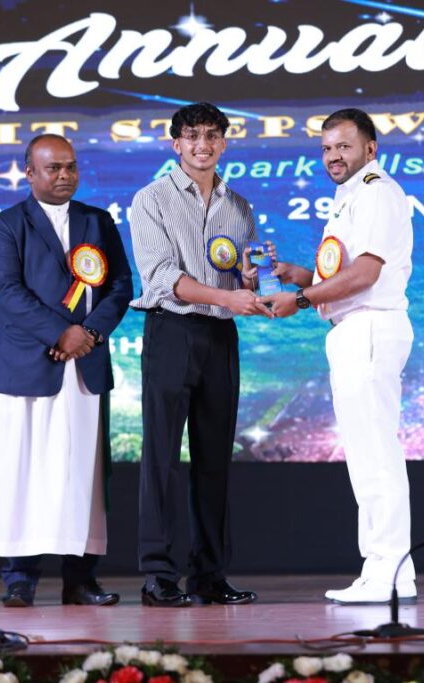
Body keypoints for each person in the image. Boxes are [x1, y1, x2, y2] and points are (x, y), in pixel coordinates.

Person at [260, 108, 416, 605]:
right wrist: (300, 276)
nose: (333, 156)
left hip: (368, 325)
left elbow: (366, 274)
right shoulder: (350, 194)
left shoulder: (375, 192)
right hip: (354, 327)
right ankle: (395, 573)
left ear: (371, 148)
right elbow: (345, 273)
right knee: (369, 454)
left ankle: (384, 571)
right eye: (326, 148)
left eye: (344, 146)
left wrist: (301, 299)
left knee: (375, 456)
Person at [0, 134, 133, 607]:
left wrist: (88, 333)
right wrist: (60, 333)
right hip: (26, 364)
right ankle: (19, 579)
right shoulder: (6, 225)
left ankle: (80, 579)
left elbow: (121, 285)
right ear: (29, 173)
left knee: (81, 473)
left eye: (71, 167)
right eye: (53, 168)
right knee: (21, 471)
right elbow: (6, 291)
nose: (65, 175)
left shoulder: (98, 221)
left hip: (85, 363)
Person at [129, 102, 270, 608]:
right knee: (162, 458)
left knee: (214, 460)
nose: (202, 145)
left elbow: (241, 277)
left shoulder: (239, 206)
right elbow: (161, 277)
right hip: (172, 331)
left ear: (224, 143)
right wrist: (227, 297)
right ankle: (158, 575)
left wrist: (249, 280)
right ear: (176, 144)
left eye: (212, 135)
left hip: (220, 338)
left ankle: (209, 574)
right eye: (192, 136)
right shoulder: (151, 199)